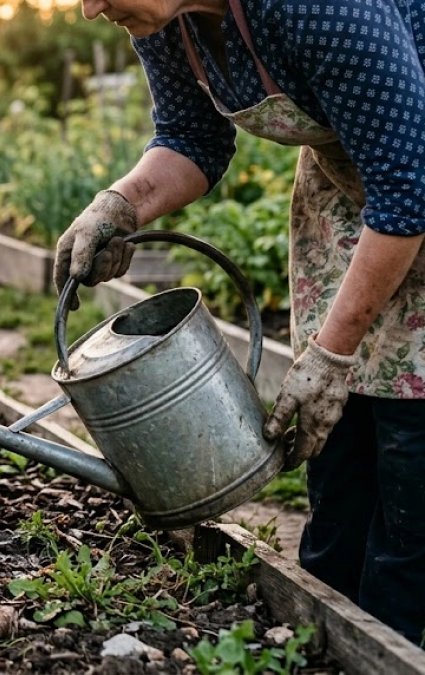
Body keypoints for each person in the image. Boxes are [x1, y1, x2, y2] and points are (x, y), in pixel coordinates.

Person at [55, 0, 425, 645]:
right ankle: (329, 627)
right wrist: (119, 204)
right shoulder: (168, 22)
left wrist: (331, 356)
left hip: (405, 193)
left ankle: (397, 639)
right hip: (351, 204)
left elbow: (408, 186)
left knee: (411, 455)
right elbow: (191, 139)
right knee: (339, 455)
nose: (90, 10)